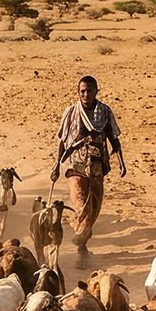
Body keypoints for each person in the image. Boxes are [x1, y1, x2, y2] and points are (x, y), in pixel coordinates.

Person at [49, 76, 125, 261]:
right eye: (82, 91)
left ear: (96, 91)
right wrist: (56, 165)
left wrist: (121, 161)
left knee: (95, 205)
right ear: (78, 92)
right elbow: (63, 140)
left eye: (89, 90)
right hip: (75, 163)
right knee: (80, 202)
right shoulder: (70, 112)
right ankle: (80, 239)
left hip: (97, 163)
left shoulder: (105, 112)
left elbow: (113, 138)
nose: (85, 94)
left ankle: (82, 239)